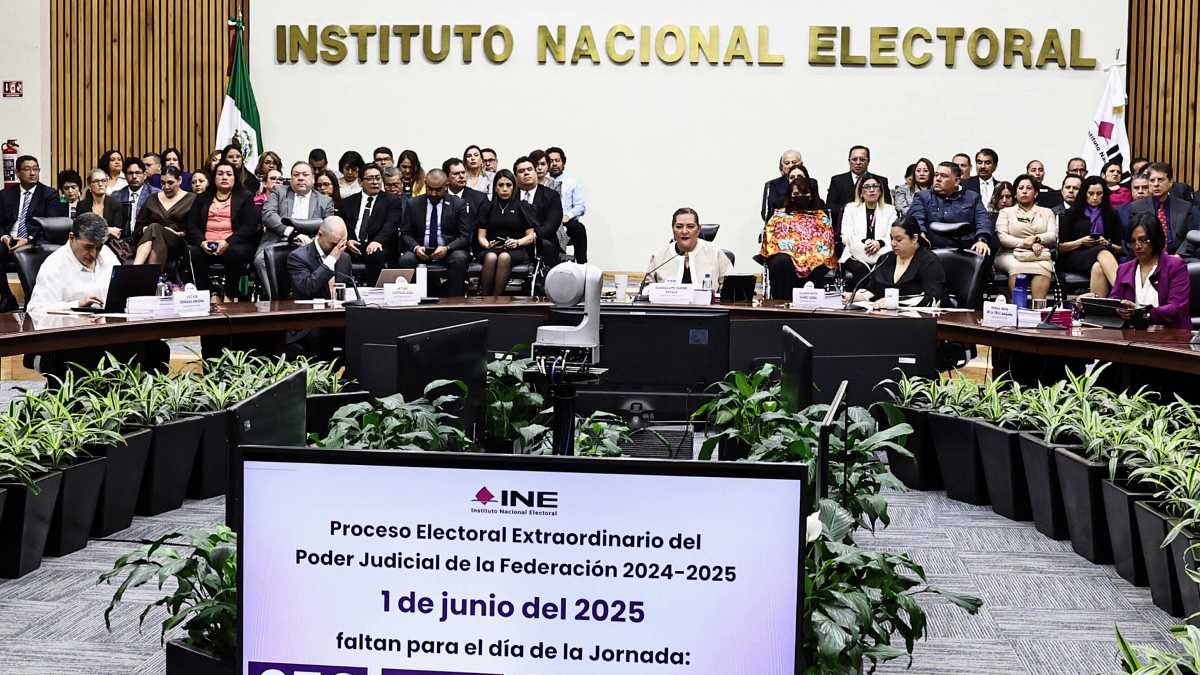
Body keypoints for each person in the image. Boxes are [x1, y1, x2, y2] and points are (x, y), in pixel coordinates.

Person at [185, 160, 260, 300]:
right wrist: (202, 242)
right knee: (193, 252)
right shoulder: (202, 198)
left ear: (235, 178)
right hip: (207, 244)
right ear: (214, 178)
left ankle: (229, 294)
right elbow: (192, 225)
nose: (224, 177)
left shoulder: (245, 197)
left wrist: (228, 242)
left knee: (234, 252)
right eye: (220, 174)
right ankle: (211, 293)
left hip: (234, 244)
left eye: (229, 174)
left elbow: (249, 226)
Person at [761, 165, 837, 299]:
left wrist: (807, 257)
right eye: (796, 194)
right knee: (781, 262)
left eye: (804, 194)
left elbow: (826, 240)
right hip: (786, 255)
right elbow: (773, 239)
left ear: (811, 195)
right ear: (790, 196)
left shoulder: (820, 215)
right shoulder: (780, 214)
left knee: (819, 264)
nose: (800, 197)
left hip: (816, 256)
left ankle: (812, 305)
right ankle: (782, 304)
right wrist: (795, 255)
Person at [0, 155, 66, 309]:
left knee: (26, 253)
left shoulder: (49, 194)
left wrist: (27, 239)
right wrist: (4, 237)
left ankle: (31, 298)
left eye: (35, 169)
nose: (32, 173)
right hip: (9, 239)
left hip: (34, 240)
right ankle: (7, 297)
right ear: (17, 172)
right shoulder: (5, 195)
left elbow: (50, 225)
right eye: (27, 169)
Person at [1105, 213, 1192, 329]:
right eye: (1133, 241)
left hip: (1171, 334)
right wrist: (1119, 310)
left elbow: (1176, 308)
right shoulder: (1124, 269)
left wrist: (1141, 312)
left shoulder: (1175, 266)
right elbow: (1114, 302)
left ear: (1155, 238)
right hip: (1133, 334)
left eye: (1143, 240)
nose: (1137, 246)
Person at [257, 161, 336, 283]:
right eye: (296, 174)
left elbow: (328, 227)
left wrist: (315, 241)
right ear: (291, 178)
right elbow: (268, 214)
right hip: (278, 240)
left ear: (313, 179)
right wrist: (291, 232)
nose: (300, 178)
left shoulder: (325, 201)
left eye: (305, 174)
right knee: (261, 260)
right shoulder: (279, 192)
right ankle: (274, 295)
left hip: (310, 243)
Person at [26, 213, 120, 313]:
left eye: (99, 247)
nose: (94, 254)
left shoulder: (107, 254)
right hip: (73, 322)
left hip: (110, 319)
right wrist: (77, 305)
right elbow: (35, 310)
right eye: (88, 247)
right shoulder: (54, 265)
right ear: (71, 238)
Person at [286, 216, 352, 358]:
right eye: (334, 244)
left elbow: (349, 290)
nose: (338, 249)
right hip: (310, 321)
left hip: (337, 320)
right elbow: (308, 288)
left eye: (342, 244)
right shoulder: (298, 257)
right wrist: (331, 260)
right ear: (320, 234)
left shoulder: (345, 258)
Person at [844, 216, 946, 307]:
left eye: (899, 240)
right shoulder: (885, 259)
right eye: (891, 238)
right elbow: (873, 291)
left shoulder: (929, 261)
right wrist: (855, 296)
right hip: (884, 317)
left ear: (914, 238)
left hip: (919, 320)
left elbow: (934, 299)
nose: (893, 243)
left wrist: (895, 301)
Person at [398, 169, 471, 296]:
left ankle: (455, 301)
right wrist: (416, 248)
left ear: (446, 186)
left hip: (448, 250)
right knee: (406, 260)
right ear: (425, 184)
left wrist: (447, 248)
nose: (433, 193)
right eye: (430, 189)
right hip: (420, 249)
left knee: (459, 258)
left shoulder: (458, 204)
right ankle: (413, 299)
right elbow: (405, 233)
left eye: (438, 190)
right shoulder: (413, 203)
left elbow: (465, 236)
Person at [994, 174, 1058, 302]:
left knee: (1043, 268)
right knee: (1018, 269)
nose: (1024, 191)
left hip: (1038, 254)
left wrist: (1036, 239)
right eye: (1020, 188)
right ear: (1015, 193)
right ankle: (1017, 308)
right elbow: (1003, 238)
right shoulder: (1006, 212)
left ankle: (1038, 310)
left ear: (1035, 193)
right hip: (1010, 253)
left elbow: (1052, 236)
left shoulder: (1047, 212)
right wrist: (1025, 243)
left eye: (1029, 188)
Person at [907, 161, 992, 257]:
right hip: (931, 249)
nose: (938, 179)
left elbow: (983, 221)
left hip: (964, 250)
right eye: (936, 175)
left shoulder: (972, 197)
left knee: (984, 253)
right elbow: (916, 218)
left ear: (956, 181)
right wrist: (921, 234)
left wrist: (982, 240)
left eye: (943, 176)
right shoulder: (922, 197)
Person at [1057, 175, 1123, 296]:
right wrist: (1081, 242)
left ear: (1104, 194)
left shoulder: (1111, 214)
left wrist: (1107, 243)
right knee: (1102, 251)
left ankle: (1097, 305)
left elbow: (1119, 248)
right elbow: (1060, 247)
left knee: (1098, 267)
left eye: (1099, 194)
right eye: (1091, 193)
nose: (1095, 197)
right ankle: (1122, 292)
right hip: (1074, 256)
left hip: (1102, 257)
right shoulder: (1071, 213)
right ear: (1084, 193)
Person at [476, 170, 536, 298]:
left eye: (508, 185)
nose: (505, 189)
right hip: (491, 248)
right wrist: (487, 245)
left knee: (504, 257)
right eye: (501, 185)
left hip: (516, 250)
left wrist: (517, 242)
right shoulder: (487, 207)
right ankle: (485, 299)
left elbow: (531, 236)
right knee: (491, 257)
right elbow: (481, 236)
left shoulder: (522, 206)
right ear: (495, 187)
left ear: (514, 187)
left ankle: (496, 300)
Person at [340, 163, 400, 285]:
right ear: (360, 182)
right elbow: (343, 225)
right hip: (353, 244)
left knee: (375, 254)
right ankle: (343, 291)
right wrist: (348, 240)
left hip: (379, 245)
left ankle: (374, 291)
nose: (375, 182)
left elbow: (391, 225)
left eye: (378, 178)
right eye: (370, 178)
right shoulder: (348, 202)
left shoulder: (392, 201)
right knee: (338, 254)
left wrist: (377, 241)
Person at [646, 207, 732, 288]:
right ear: (673, 230)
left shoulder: (715, 253)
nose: (684, 231)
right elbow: (646, 289)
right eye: (679, 227)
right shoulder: (659, 256)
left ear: (698, 230)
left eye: (690, 226)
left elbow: (730, 288)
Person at [1130, 162, 1199, 260]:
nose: (1156, 184)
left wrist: (1178, 255)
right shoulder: (1137, 207)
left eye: (1160, 180)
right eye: (1152, 180)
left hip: (1178, 257)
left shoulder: (1185, 207)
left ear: (1170, 182)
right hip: (1147, 257)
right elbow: (1132, 239)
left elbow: (1191, 236)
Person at [132, 166, 196, 270]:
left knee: (154, 228)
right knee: (155, 229)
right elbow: (139, 225)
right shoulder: (152, 198)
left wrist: (180, 233)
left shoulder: (192, 199)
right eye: (162, 183)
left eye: (170, 183)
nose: (166, 187)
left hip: (178, 241)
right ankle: (152, 275)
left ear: (179, 180)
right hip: (152, 239)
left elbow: (195, 228)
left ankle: (134, 269)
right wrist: (144, 229)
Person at [839, 174, 898, 283]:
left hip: (882, 252)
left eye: (875, 186)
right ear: (861, 192)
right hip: (855, 254)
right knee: (861, 270)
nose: (871, 190)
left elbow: (893, 235)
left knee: (883, 267)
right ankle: (860, 294)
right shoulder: (851, 208)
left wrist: (879, 243)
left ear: (880, 191)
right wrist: (866, 244)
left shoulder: (890, 210)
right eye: (867, 187)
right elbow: (846, 236)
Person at [513, 156, 564, 268]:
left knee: (545, 245)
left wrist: (530, 237)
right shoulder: (510, 196)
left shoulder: (551, 195)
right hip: (515, 240)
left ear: (536, 172)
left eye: (529, 169)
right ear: (516, 177)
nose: (526, 173)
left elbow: (551, 225)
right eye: (521, 171)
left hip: (543, 240)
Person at [826, 145, 891, 230]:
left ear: (868, 161)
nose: (858, 162)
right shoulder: (837, 180)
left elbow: (886, 206)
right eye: (854, 159)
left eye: (862, 159)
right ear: (849, 161)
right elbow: (830, 206)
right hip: (844, 225)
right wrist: (851, 213)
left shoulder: (881, 181)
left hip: (874, 226)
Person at [78, 168, 130, 260]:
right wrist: (107, 230)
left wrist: (93, 230)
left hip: (109, 246)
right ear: (89, 185)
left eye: (103, 180)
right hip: (87, 245)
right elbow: (81, 230)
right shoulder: (82, 205)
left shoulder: (115, 204)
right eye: (96, 181)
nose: (100, 184)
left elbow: (116, 232)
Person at [547, 146, 588, 264]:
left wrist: (568, 216)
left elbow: (580, 206)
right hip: (547, 221)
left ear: (563, 162)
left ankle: (581, 264)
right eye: (551, 161)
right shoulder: (542, 181)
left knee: (579, 228)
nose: (554, 164)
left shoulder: (573, 181)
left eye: (557, 160)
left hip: (566, 220)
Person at [761, 149, 821, 221]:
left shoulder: (812, 183)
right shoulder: (773, 184)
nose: (790, 165)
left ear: (801, 164)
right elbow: (767, 213)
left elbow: (818, 206)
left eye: (794, 162)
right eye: (787, 163)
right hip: (782, 222)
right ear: (782, 166)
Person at [112, 157, 161, 237]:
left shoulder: (156, 194)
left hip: (147, 237)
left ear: (144, 175)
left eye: (137, 173)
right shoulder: (116, 196)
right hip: (121, 238)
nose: (134, 176)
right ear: (125, 176)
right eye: (130, 173)